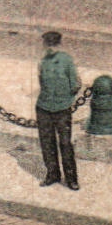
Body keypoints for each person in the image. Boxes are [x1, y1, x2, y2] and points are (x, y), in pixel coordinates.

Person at [35, 30, 80, 190]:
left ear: (59, 45)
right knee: (47, 143)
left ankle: (71, 179)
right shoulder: (42, 62)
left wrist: (64, 99)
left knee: (65, 144)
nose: (50, 48)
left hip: (62, 109)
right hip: (44, 107)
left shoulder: (67, 61)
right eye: (48, 45)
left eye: (53, 45)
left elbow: (75, 84)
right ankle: (52, 174)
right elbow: (42, 81)